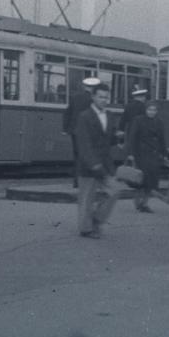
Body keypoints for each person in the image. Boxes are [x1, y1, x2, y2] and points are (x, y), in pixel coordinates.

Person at [75, 83, 121, 239]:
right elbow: (83, 144)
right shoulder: (84, 116)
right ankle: (86, 229)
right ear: (93, 97)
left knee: (115, 191)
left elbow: (107, 139)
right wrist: (93, 163)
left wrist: (117, 139)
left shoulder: (109, 115)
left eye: (106, 97)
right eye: (100, 97)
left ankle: (97, 219)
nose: (104, 100)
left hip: (105, 164)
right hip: (89, 165)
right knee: (86, 199)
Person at [124, 100, 169, 213]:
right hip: (141, 154)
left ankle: (144, 203)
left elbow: (162, 139)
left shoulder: (159, 122)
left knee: (151, 181)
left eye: (154, 110)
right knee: (140, 179)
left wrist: (164, 154)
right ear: (145, 110)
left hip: (153, 154)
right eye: (150, 110)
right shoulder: (138, 120)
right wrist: (130, 153)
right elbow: (132, 137)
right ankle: (138, 202)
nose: (152, 112)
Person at [63, 78, 100, 188]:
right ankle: (87, 181)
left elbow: (67, 113)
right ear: (94, 88)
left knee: (77, 155)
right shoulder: (95, 100)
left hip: (75, 131)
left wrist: (66, 129)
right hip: (89, 132)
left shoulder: (75, 97)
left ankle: (76, 181)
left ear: (85, 87)